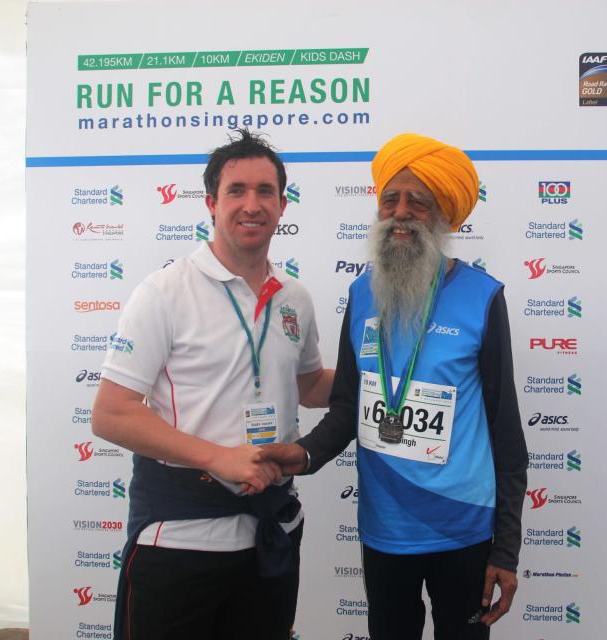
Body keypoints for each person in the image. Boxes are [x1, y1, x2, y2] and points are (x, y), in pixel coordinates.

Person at [262, 132, 528, 639]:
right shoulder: (362, 293)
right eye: (391, 198)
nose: (400, 212)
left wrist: (506, 548)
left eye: (418, 201)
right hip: (385, 529)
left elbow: (507, 436)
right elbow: (346, 408)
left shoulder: (482, 297)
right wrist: (302, 455)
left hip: (464, 529)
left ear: (444, 215)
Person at [92, 129, 333, 640]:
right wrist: (214, 456)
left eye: (265, 191)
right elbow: (111, 413)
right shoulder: (164, 291)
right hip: (180, 539)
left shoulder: (295, 296)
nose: (252, 204)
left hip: (271, 534)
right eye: (237, 190)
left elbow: (310, 384)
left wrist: (394, 379)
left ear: (283, 205)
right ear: (211, 203)